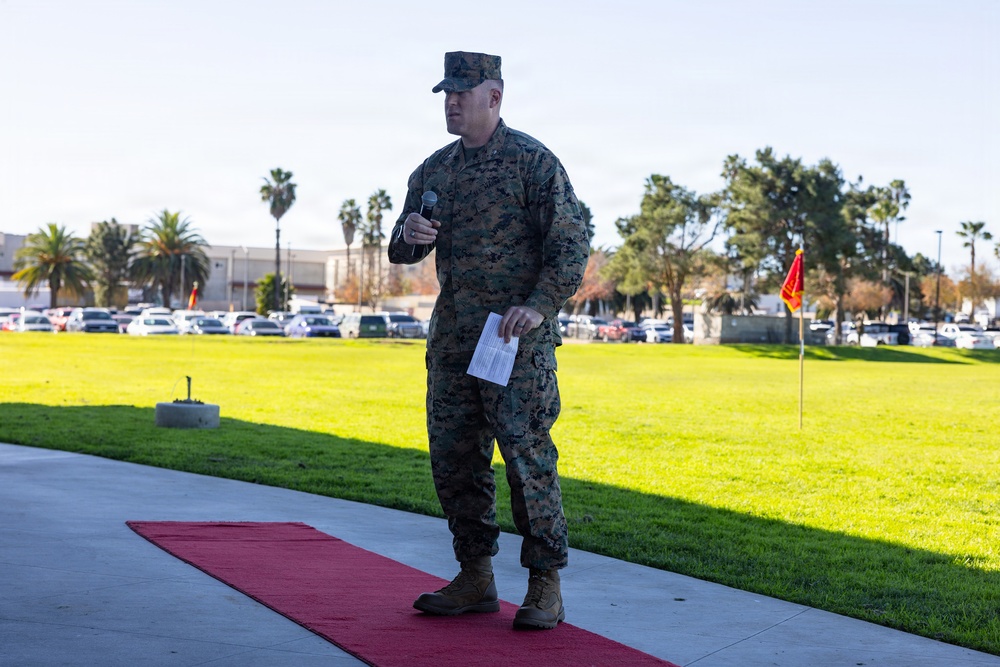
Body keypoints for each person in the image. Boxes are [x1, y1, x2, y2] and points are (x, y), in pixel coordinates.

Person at [387, 51, 589, 630]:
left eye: (462, 93)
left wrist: (539, 305)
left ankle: (545, 584)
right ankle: (475, 576)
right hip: (454, 338)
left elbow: (571, 248)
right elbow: (403, 251)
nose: (451, 102)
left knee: (526, 458)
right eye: (446, 94)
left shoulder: (532, 162)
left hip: (512, 339)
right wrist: (408, 233)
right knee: (455, 457)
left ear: (493, 97)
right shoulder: (433, 171)